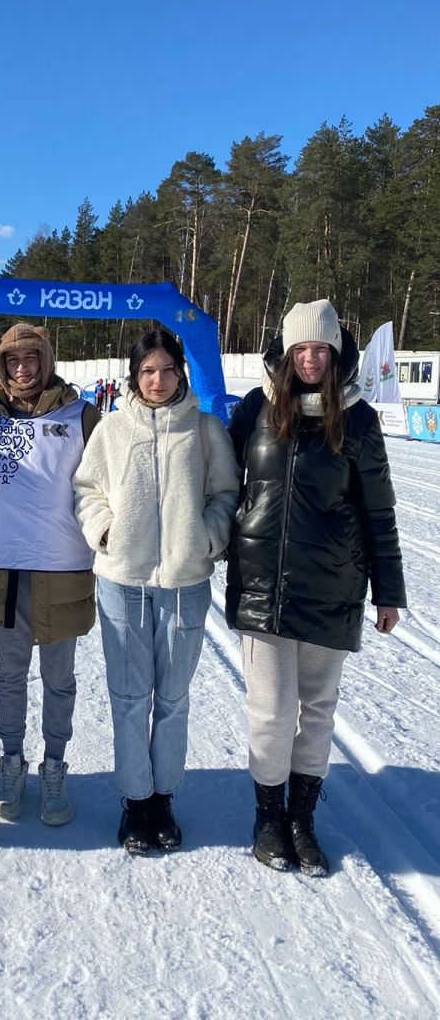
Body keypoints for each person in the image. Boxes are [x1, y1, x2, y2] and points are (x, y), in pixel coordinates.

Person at [226, 300, 406, 876]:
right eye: (300, 349)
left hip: (333, 586)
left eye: (320, 349)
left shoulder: (358, 419)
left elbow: (379, 511)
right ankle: (268, 818)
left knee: (317, 711)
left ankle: (302, 820)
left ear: (336, 354)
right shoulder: (255, 407)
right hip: (263, 583)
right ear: (285, 353)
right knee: (271, 712)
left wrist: (388, 591)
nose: (310, 359)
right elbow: (220, 484)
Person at [73, 329, 239, 854]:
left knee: (172, 698)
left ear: (181, 373)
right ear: (134, 376)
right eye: (148, 371)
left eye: (168, 370)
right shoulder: (112, 429)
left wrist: (207, 538)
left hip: (185, 583)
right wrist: (104, 530)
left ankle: (163, 797)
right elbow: (86, 489)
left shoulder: (206, 430)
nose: (158, 380)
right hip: (122, 581)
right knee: (128, 698)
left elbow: (226, 493)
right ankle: (135, 799)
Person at [0, 323, 100, 825]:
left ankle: (55, 767)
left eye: (31, 359)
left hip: (60, 568)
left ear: (46, 360)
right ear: (1, 366)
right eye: (12, 361)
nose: (22, 369)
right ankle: (12, 763)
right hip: (4, 570)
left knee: (59, 679)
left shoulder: (81, 414)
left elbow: (105, 484)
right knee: (10, 675)